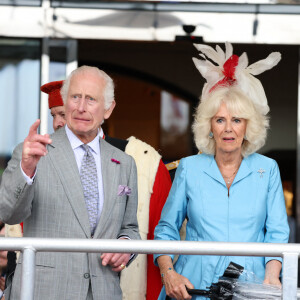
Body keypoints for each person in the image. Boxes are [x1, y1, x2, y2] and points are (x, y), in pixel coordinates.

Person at [154, 42, 290, 300]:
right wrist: (168, 273)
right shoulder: (189, 168)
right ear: (209, 127)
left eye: (237, 120)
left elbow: (277, 233)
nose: (228, 128)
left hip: (250, 286)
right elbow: (166, 229)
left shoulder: (267, 169)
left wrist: (272, 275)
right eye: (220, 120)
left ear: (248, 127)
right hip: (193, 286)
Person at [0, 65, 140, 300]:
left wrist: (125, 246)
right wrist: (26, 169)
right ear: (65, 102)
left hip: (104, 292)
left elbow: (130, 228)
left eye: (91, 99)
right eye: (75, 97)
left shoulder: (124, 163)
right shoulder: (35, 152)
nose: (81, 107)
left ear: (108, 109)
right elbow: (8, 213)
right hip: (44, 291)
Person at [40, 79, 172, 300]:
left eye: (63, 114)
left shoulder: (135, 160)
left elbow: (153, 230)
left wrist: (126, 246)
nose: (57, 123)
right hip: (55, 286)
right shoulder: (41, 157)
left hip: (109, 285)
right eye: (53, 115)